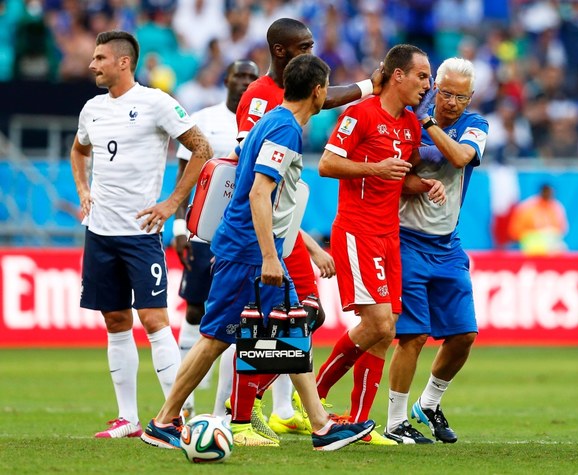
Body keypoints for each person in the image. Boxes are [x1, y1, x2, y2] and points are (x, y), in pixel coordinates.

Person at [140, 54, 375, 451]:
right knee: (216, 338)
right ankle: (163, 421)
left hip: (247, 244)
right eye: (326, 88)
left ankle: (319, 426)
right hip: (250, 248)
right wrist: (269, 256)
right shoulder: (285, 130)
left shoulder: (272, 121)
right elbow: (259, 191)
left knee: (289, 327)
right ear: (318, 92)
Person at [227, 17, 384, 445]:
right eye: (305, 45)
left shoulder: (295, 102)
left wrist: (369, 86)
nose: (312, 50)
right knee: (243, 328)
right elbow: (257, 183)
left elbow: (324, 97)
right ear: (281, 51)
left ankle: (299, 416)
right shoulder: (262, 101)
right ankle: (237, 412)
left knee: (298, 317)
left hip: (283, 232)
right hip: (260, 235)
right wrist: (274, 249)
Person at [69, 30, 212, 439]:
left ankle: (174, 417)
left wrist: (171, 204)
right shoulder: (92, 109)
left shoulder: (156, 103)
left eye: (100, 58)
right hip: (99, 232)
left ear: (123, 62)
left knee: (153, 319)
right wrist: (83, 189)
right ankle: (128, 418)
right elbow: (79, 151)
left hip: (140, 232)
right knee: (115, 319)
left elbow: (200, 148)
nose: (93, 65)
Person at [315, 44, 446, 445]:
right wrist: (374, 167)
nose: (429, 85)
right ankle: (315, 398)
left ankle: (358, 420)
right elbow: (327, 164)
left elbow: (397, 179)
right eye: (423, 76)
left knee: (385, 332)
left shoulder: (410, 126)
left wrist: (424, 185)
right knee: (379, 323)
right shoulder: (360, 113)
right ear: (397, 75)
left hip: (389, 235)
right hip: (357, 231)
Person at [384, 57, 489, 444]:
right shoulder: (403, 121)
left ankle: (427, 404)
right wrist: (419, 177)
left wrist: (427, 124)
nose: (452, 103)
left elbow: (462, 157)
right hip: (406, 238)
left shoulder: (475, 126)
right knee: (413, 335)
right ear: (433, 88)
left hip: (447, 244)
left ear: (470, 98)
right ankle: (395, 422)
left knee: (464, 334)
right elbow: (398, 168)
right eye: (445, 93)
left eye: (460, 97)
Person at [172, 59, 260, 420]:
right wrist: (179, 227)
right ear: (225, 78)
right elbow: (185, 174)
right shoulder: (205, 119)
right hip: (204, 227)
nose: (245, 81)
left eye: (252, 77)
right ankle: (186, 391)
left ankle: (225, 402)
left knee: (237, 315)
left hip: (243, 230)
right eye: (239, 75)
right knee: (195, 305)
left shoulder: (260, 118)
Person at [508, 183, 568, 255]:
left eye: (551, 193)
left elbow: (562, 229)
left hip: (552, 245)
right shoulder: (527, 207)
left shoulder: (557, 207)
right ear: (541, 192)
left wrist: (548, 233)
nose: (549, 195)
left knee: (561, 248)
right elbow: (515, 231)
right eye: (547, 192)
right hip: (531, 245)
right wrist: (536, 235)